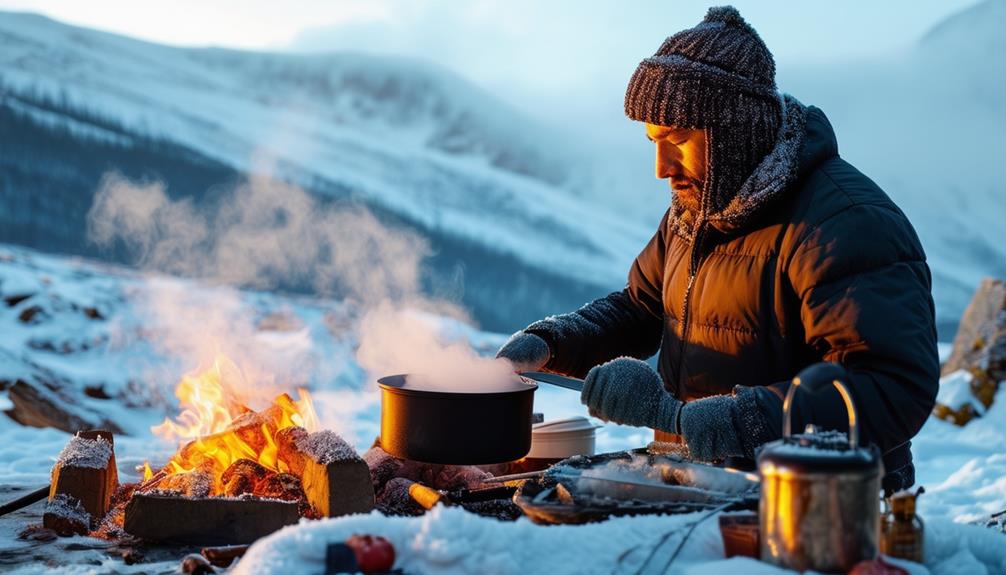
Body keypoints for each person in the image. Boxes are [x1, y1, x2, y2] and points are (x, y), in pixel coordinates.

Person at [497, 6, 938, 492]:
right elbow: (644, 307)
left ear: (736, 133)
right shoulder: (696, 211)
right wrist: (551, 344)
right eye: (652, 141)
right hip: (704, 491)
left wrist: (708, 422)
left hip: (819, 515)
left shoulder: (844, 222)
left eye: (678, 139)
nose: (661, 167)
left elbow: (891, 386)